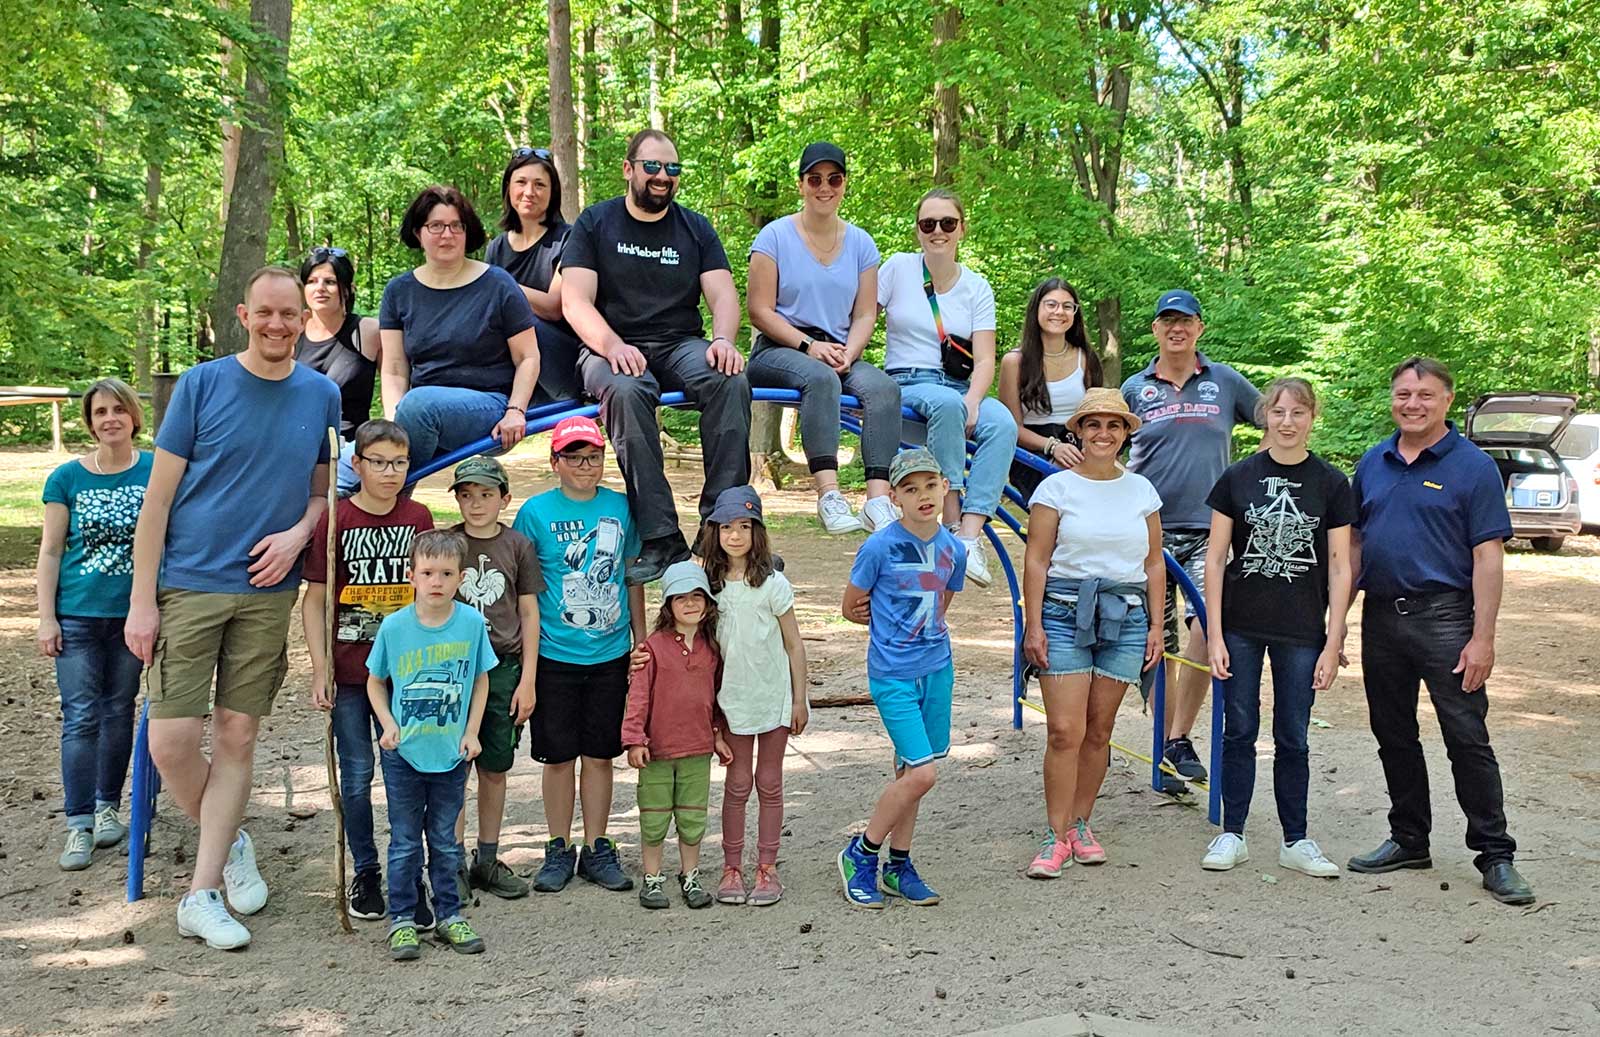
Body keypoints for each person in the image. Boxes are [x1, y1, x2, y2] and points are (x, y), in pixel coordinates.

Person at [124, 265, 341, 951]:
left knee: (239, 734)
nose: (279, 325)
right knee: (171, 742)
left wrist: (298, 533)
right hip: (188, 583)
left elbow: (322, 490)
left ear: (304, 321)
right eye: (267, 313)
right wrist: (142, 601)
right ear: (244, 316)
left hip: (265, 592)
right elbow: (156, 501)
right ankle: (231, 837)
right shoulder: (200, 385)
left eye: (290, 315)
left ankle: (202, 889)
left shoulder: (322, 393)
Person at [1343, 357, 1534, 906]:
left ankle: (1496, 855)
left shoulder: (1472, 467)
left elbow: (1487, 557)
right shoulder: (1373, 462)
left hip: (1447, 619)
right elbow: (1355, 546)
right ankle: (1409, 838)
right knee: (1393, 733)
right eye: (1403, 393)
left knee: (1467, 738)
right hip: (1381, 617)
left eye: (1425, 395)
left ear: (1446, 401)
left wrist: (1484, 637)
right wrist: (1337, 618)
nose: (1412, 403)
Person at [562, 128, 752, 584]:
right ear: (629, 169)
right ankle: (661, 537)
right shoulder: (595, 223)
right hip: (609, 344)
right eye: (652, 166)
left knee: (730, 380)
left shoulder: (696, 228)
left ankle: (722, 529)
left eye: (672, 168)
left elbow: (724, 295)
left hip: (679, 343)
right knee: (627, 391)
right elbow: (575, 301)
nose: (662, 176)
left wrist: (723, 339)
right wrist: (611, 345)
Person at [1198, 378, 1352, 878]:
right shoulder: (1237, 478)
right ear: (1265, 416)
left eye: (1298, 413)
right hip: (1241, 626)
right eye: (1279, 412)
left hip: (1303, 629)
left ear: (1312, 418)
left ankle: (1296, 838)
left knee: (1294, 735)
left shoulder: (1331, 482)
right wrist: (1215, 634)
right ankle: (1233, 832)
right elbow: (1216, 559)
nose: (1287, 422)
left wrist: (1335, 639)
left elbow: (1338, 566)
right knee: (1238, 729)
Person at [1021, 389, 1165, 878]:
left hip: (1126, 615)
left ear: (1126, 433)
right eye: (1094, 425)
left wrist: (1155, 626)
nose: (1104, 434)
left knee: (1100, 730)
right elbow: (1037, 559)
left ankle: (1082, 823)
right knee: (1065, 730)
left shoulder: (1142, 490)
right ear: (1078, 431)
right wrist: (1033, 623)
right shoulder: (1056, 489)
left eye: (1115, 425)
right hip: (1064, 611)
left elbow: (1152, 563)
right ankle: (1054, 835)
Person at [1120, 289, 1259, 788]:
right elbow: (1109, 445)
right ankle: (1166, 742)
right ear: (1155, 330)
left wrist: (1256, 475)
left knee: (1207, 622)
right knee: (1153, 637)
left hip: (1209, 530)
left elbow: (1275, 417)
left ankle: (1178, 738)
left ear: (1199, 328)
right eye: (1167, 322)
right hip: (1147, 530)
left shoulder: (1224, 381)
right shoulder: (1135, 388)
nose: (1176, 329)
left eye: (1186, 321)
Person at [301, 419, 435, 921]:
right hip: (351, 674)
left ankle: (410, 874)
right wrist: (320, 668)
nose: (389, 472)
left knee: (412, 773)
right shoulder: (336, 520)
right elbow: (314, 600)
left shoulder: (419, 516)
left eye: (399, 462)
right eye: (377, 461)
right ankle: (366, 869)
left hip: (408, 672)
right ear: (356, 464)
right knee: (356, 775)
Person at [512, 416, 643, 895]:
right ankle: (557, 846)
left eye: (594, 457)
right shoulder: (535, 512)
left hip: (609, 651)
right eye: (574, 457)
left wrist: (640, 640)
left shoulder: (620, 507)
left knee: (601, 755)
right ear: (555, 462)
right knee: (558, 757)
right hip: (554, 653)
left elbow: (632, 576)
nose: (585, 466)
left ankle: (598, 846)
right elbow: (527, 588)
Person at [745, 142, 900, 534]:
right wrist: (808, 346)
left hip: (837, 348)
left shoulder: (862, 244)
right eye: (815, 179)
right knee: (820, 379)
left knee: (883, 389)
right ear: (801, 185)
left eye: (834, 178)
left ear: (845, 184)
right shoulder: (774, 237)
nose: (824, 187)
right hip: (782, 348)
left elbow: (866, 312)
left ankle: (877, 498)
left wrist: (851, 351)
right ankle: (828, 493)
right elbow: (759, 311)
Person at [837, 448, 968, 909]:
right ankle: (862, 852)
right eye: (910, 489)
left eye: (930, 485)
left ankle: (899, 864)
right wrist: (889, 633)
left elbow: (943, 604)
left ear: (945, 487)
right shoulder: (878, 546)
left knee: (912, 771)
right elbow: (852, 606)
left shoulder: (954, 548)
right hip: (893, 673)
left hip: (936, 668)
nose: (923, 496)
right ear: (894, 497)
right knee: (924, 774)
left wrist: (925, 639)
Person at [37, 378, 153, 872]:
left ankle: (109, 808)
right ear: (90, 423)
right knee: (81, 715)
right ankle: (79, 823)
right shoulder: (66, 478)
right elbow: (50, 550)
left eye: (118, 410)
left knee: (118, 711)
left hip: (134, 616)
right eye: (100, 412)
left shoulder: (154, 469)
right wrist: (46, 617)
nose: (110, 419)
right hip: (78, 616)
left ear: (133, 417)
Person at [366, 529, 497, 959]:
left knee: (444, 839)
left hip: (451, 753)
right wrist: (387, 724)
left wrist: (471, 731)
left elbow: (480, 680)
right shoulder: (395, 627)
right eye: (427, 572)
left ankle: (450, 915)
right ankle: (402, 919)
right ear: (412, 576)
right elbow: (375, 681)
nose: (436, 581)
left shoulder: (472, 623)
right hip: (404, 753)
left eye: (445, 573)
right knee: (404, 840)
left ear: (460, 578)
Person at [876, 189, 1016, 589]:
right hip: (909, 379)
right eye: (928, 224)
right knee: (946, 404)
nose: (938, 231)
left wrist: (974, 399)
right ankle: (950, 518)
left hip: (957, 385)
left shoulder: (976, 286)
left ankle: (970, 535)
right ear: (918, 231)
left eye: (947, 223)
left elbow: (986, 358)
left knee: (1002, 423)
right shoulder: (898, 268)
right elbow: (865, 315)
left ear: (961, 230)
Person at [696, 487, 808, 905]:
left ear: (757, 531)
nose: (735, 535)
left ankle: (767, 867)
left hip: (774, 697)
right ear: (714, 532)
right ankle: (731, 868)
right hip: (733, 700)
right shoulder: (708, 586)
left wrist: (799, 699)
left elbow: (794, 643)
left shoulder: (773, 583)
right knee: (738, 783)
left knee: (770, 782)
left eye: (744, 526)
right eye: (727, 527)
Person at [379, 184, 540, 472]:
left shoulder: (498, 284)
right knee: (356, 459)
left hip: (489, 406)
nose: (447, 235)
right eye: (437, 226)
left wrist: (516, 411)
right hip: (418, 412)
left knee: (418, 408)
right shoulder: (398, 291)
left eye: (456, 226)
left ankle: (391, 498)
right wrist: (394, 424)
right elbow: (393, 367)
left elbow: (528, 357)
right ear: (419, 232)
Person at [446, 456, 543, 901]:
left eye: (486, 495)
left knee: (495, 765)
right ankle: (452, 860)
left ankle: (488, 856)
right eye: (467, 495)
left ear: (504, 498)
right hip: (453, 668)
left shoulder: (518, 546)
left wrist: (528, 679)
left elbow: (528, 611)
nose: (476, 503)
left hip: (502, 668)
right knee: (452, 765)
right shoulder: (445, 544)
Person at [621, 561, 733, 910]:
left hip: (697, 749)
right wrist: (634, 738)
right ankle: (653, 879)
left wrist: (717, 735)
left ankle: (690, 875)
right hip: (657, 750)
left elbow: (715, 698)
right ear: (667, 605)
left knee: (692, 816)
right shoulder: (652, 648)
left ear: (708, 602)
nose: (689, 604)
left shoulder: (712, 648)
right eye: (680, 598)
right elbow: (638, 696)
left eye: (697, 596)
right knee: (654, 818)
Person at [485, 147, 585, 402]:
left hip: (561, 366)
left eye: (540, 184)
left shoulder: (569, 238)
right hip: (508, 366)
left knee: (520, 321)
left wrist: (501, 283)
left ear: (553, 193)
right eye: (521, 182)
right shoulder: (496, 247)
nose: (529, 192)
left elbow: (554, 307)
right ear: (508, 187)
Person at [998, 277, 1103, 503]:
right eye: (1051, 304)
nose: (1059, 312)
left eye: (1067, 306)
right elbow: (1011, 427)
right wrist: (1053, 447)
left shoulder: (1085, 358)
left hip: (1081, 446)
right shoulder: (1014, 362)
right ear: (1037, 309)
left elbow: (1098, 416)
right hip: (1032, 451)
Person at [298, 246, 380, 495]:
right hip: (299, 445)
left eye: (330, 281)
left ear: (347, 289)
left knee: (329, 493)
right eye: (312, 281)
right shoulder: (291, 333)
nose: (320, 288)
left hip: (350, 447)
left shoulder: (368, 331)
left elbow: (398, 377)